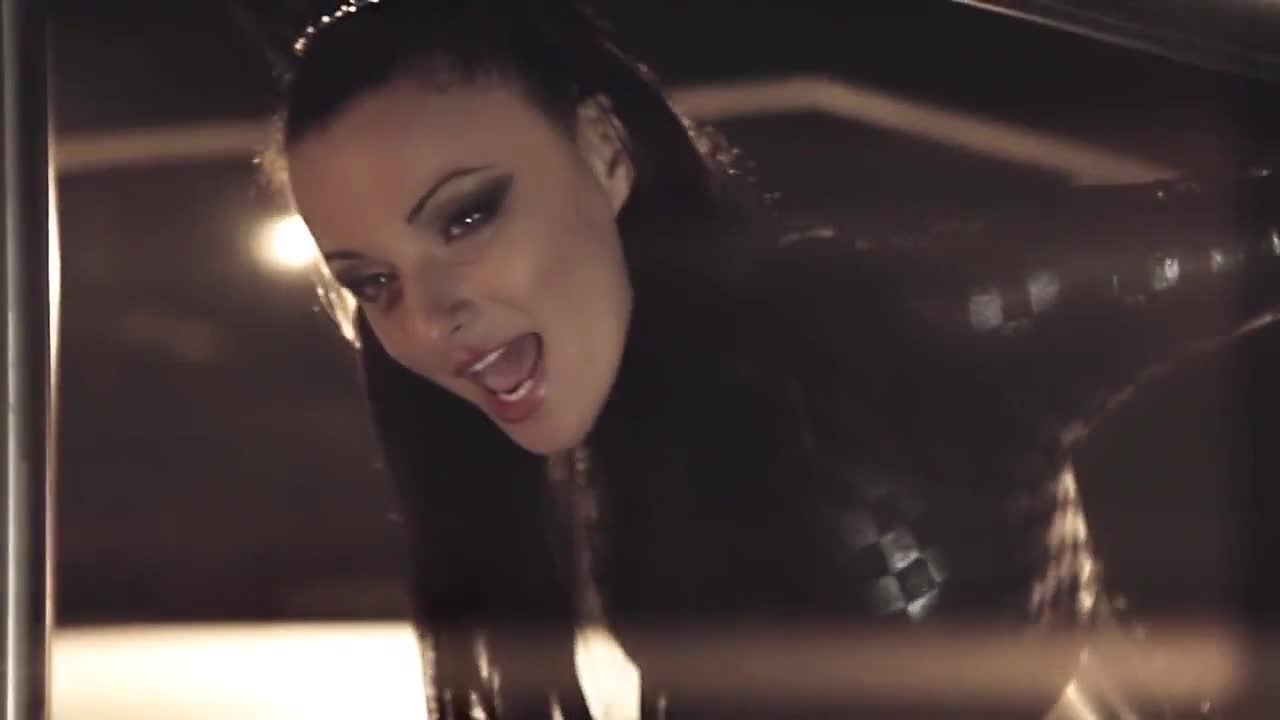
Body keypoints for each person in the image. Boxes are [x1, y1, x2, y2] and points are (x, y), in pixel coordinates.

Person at [237, 0, 1249, 717]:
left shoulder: (895, 326)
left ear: (605, 153)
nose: (426, 319)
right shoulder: (611, 430)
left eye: (466, 217)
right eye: (373, 281)